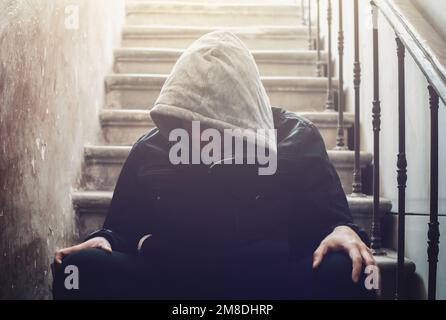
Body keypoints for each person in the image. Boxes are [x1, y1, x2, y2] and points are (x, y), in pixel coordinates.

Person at [53, 31, 376, 300]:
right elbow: (123, 229)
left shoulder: (297, 138)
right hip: (174, 278)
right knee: (79, 269)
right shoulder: (151, 147)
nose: (204, 137)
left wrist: (343, 230)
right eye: (193, 122)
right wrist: (106, 240)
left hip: (268, 280)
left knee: (353, 270)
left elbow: (332, 222)